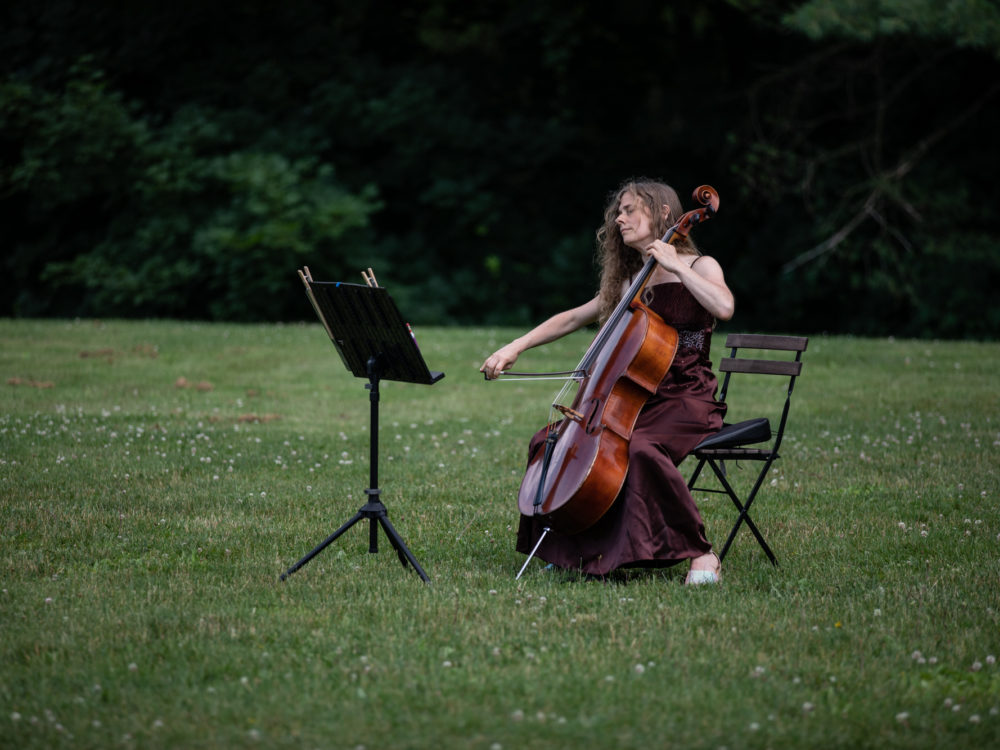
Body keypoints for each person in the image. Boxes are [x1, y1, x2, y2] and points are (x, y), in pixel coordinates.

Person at [480, 177, 735, 583]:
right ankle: (572, 547)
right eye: (619, 211)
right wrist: (516, 346)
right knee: (549, 440)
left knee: (643, 450)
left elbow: (724, 306)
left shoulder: (700, 266)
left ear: (664, 213)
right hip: (633, 399)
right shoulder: (630, 280)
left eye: (630, 209)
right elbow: (573, 317)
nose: (620, 218)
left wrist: (674, 265)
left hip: (687, 398)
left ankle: (702, 554)